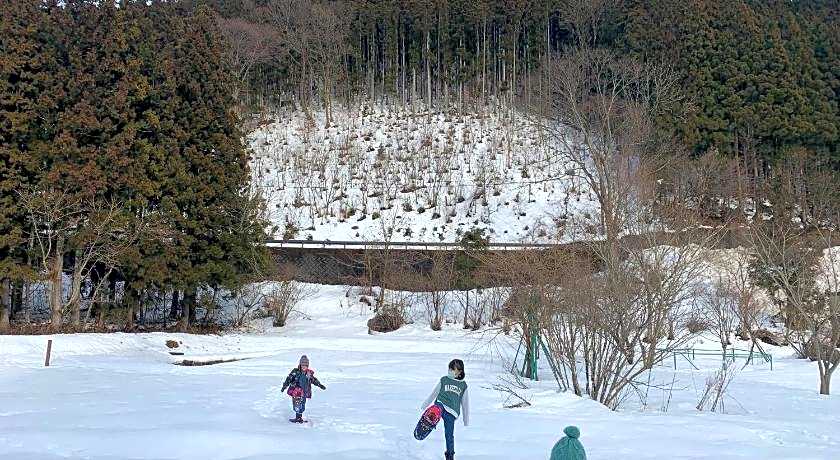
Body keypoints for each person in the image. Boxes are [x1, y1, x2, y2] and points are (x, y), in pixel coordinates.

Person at [421, 359, 470, 460]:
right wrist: (425, 404)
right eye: (449, 368)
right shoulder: (444, 380)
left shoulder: (463, 385)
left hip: (452, 411)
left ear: (460, 371)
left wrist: (466, 420)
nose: (450, 371)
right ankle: (429, 419)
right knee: (438, 407)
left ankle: (450, 455)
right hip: (441, 405)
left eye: (453, 369)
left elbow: (465, 404)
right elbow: (434, 393)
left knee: (449, 435)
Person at [281, 355, 326, 423]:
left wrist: (320, 385)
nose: (304, 366)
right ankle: (297, 418)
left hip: (304, 392)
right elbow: (288, 379)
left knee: (302, 405)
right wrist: (284, 387)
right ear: (300, 365)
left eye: (305, 365)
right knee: (297, 404)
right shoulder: (295, 372)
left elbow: (313, 380)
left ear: (307, 366)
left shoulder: (309, 373)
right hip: (296, 391)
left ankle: (300, 417)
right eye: (302, 365)